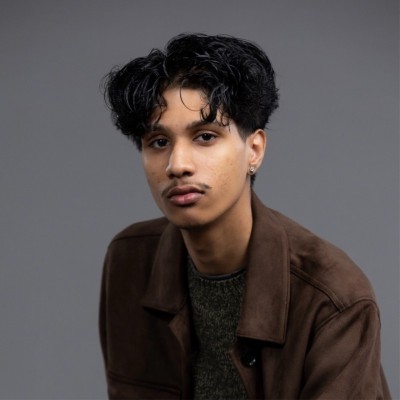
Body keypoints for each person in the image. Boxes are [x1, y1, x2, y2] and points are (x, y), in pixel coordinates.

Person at [99, 33, 391, 399]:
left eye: (205, 137)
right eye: (159, 142)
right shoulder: (129, 261)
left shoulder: (334, 298)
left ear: (254, 150)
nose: (177, 164)